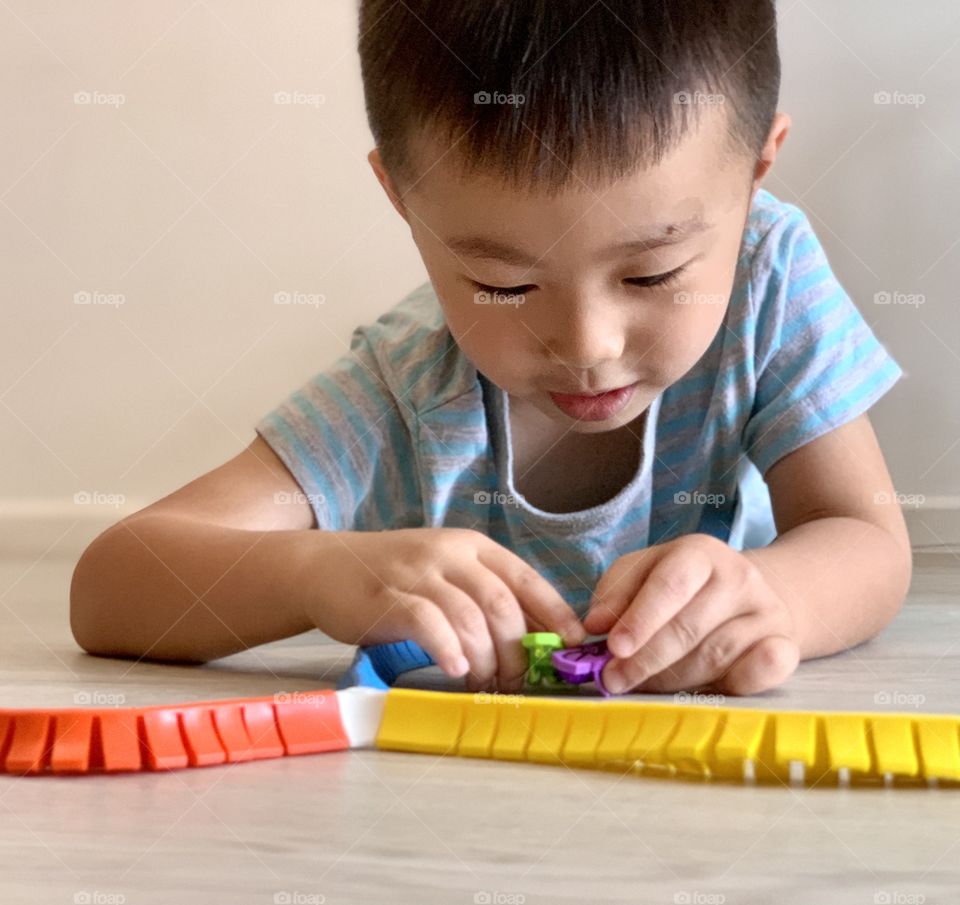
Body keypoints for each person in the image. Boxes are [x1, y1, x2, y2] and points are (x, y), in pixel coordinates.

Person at [70, 0, 911, 699]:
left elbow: (865, 537)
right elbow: (110, 586)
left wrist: (778, 598)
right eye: (504, 285)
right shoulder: (402, 389)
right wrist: (313, 573)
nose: (588, 346)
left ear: (761, 162)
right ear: (402, 200)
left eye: (652, 275)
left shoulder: (767, 276)